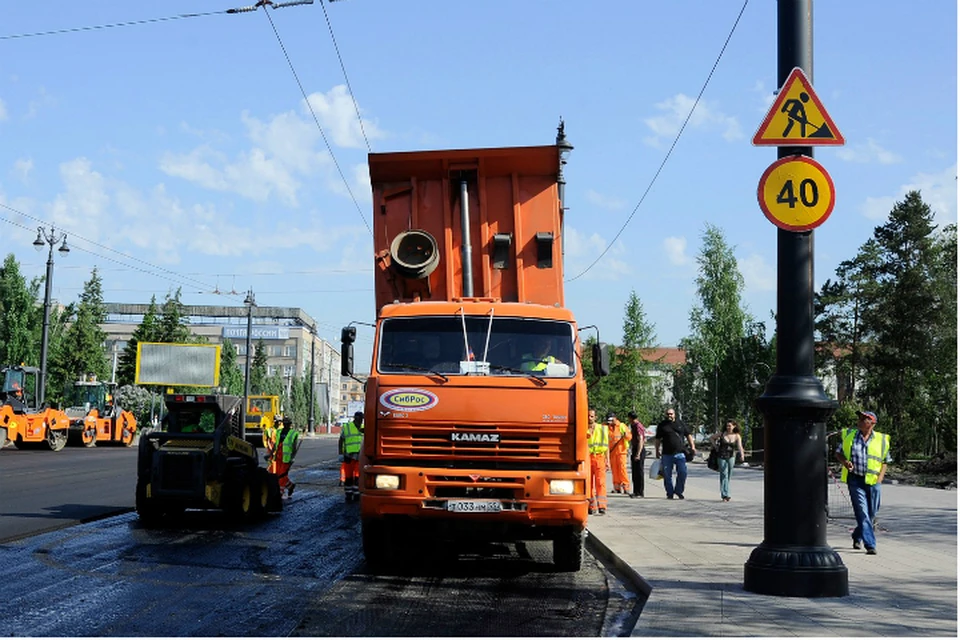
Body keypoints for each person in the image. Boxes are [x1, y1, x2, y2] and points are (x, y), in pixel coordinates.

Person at [834, 410, 890, 555]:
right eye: (859, 418)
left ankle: (857, 535)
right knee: (862, 513)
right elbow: (838, 453)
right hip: (855, 480)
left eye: (864, 419)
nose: (859, 420)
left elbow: (885, 461)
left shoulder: (881, 439)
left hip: (873, 482)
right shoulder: (850, 435)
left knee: (871, 514)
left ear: (872, 423)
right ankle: (870, 544)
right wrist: (845, 462)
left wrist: (879, 479)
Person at [654, 407, 695, 500]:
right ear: (665, 415)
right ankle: (670, 493)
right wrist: (657, 450)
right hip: (666, 454)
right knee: (667, 475)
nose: (669, 415)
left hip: (680, 453)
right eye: (668, 414)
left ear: (674, 414)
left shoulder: (680, 423)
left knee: (682, 472)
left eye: (671, 414)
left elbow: (688, 435)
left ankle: (678, 491)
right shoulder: (662, 425)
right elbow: (657, 439)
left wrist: (693, 446)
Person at [709, 419, 746, 502]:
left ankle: (726, 490)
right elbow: (711, 438)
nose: (728, 427)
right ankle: (725, 494)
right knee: (723, 474)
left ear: (734, 426)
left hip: (731, 456)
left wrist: (742, 455)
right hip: (721, 456)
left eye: (730, 426)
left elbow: (740, 446)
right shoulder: (722, 434)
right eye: (727, 426)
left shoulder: (737, 435)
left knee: (729, 475)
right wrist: (715, 446)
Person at [268, 416, 301, 497]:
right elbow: (276, 444)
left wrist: (292, 458)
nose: (286, 425)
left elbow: (294, 447)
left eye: (287, 423)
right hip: (278, 455)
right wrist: (271, 453)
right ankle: (290, 486)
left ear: (290, 424)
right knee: (276, 473)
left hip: (286, 457)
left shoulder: (293, 433)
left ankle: (281, 491)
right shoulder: (279, 432)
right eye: (284, 423)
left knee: (282, 474)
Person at [586, 409, 608, 515]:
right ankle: (592, 506)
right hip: (588, 458)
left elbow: (606, 446)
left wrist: (607, 460)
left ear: (595, 417)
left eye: (591, 416)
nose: (589, 418)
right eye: (588, 416)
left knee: (600, 483)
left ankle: (602, 506)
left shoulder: (602, 429)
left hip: (599, 457)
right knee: (589, 483)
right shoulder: (583, 428)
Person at [341, 411, 365, 503]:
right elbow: (341, 440)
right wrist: (340, 453)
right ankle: (348, 494)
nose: (360, 420)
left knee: (358, 477)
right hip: (349, 455)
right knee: (349, 477)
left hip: (360, 456)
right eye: (359, 418)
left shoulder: (364, 428)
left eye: (362, 419)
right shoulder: (347, 427)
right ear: (355, 418)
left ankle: (356, 494)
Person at [607, 412, 631, 494]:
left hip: (621, 452)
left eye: (611, 420)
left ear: (615, 418)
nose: (610, 422)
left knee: (622, 469)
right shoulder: (606, 427)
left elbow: (629, 437)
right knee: (614, 470)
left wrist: (626, 435)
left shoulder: (621, 426)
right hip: (612, 452)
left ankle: (625, 486)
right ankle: (616, 487)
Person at [627, 411, 646, 498]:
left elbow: (640, 440)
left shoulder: (638, 426)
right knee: (634, 472)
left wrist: (638, 454)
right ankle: (635, 491)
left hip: (639, 450)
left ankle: (640, 492)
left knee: (639, 472)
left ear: (630, 418)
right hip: (635, 449)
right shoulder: (633, 426)